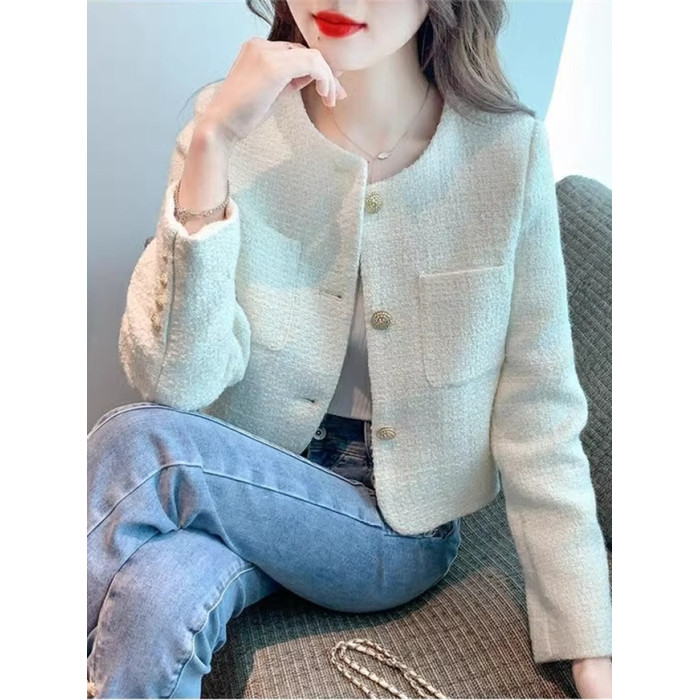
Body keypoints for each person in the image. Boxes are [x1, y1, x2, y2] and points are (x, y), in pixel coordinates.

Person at [87, 1, 612, 697]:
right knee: (155, 596)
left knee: (140, 443)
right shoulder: (232, 123)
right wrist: (213, 142)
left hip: (394, 535)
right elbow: (175, 382)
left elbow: (539, 418)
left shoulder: (504, 153)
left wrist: (592, 648)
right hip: (242, 489)